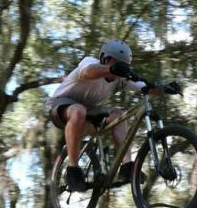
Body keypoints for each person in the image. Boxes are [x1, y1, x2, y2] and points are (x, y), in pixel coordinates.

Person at [46, 39, 179, 192]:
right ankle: (73, 170)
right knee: (78, 111)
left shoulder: (120, 78)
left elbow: (146, 88)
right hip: (61, 105)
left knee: (118, 115)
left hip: (89, 110)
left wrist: (165, 88)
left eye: (123, 64)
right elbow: (88, 72)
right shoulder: (90, 62)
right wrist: (112, 69)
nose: (119, 67)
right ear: (104, 58)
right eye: (115, 62)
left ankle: (127, 166)